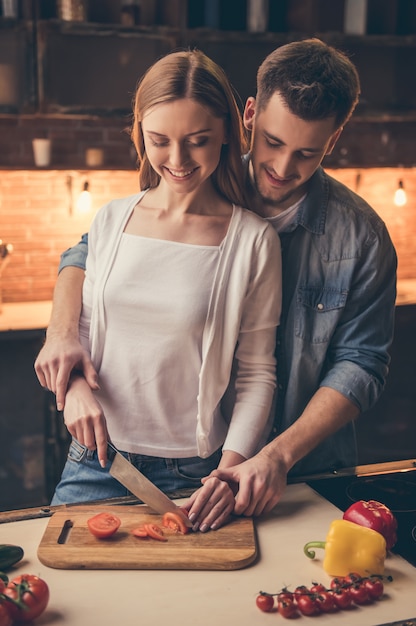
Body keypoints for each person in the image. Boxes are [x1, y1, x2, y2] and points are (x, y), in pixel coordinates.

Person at [35, 38, 397, 523]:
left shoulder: (360, 238)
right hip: (126, 458)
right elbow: (85, 256)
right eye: (272, 142)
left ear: (332, 143)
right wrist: (61, 337)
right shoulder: (188, 181)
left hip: (295, 465)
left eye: (307, 153)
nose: (282, 167)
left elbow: (361, 364)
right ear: (248, 116)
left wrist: (272, 455)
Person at [38, 49, 282, 532]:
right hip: (96, 461)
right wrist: (79, 389)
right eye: (160, 140)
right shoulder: (111, 220)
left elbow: (257, 374)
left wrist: (228, 472)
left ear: (228, 135)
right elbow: (79, 334)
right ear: (140, 134)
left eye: (198, 141)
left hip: (195, 475)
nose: (177, 160)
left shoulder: (253, 240)